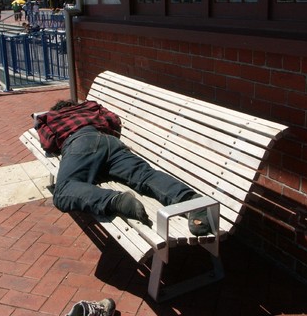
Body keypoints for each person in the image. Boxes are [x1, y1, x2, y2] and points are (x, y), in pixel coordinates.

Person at [35, 99, 211, 236]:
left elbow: (48, 143)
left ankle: (115, 201)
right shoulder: (91, 107)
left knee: (63, 191)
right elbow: (113, 120)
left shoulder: (50, 117)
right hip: (110, 142)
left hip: (80, 142)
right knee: (145, 175)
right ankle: (192, 202)